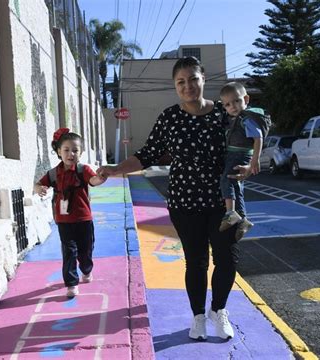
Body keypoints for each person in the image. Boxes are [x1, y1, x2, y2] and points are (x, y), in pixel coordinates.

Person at [98, 57, 252, 341]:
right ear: (175, 86)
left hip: (223, 200)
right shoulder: (169, 118)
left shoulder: (225, 113)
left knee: (227, 260)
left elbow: (250, 139)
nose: (188, 86)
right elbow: (147, 154)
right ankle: (198, 317)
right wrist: (116, 169)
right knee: (196, 262)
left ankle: (218, 311)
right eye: (181, 82)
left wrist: (250, 165)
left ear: (203, 78)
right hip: (184, 203)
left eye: (193, 79)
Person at [35, 128, 106, 298]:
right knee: (69, 252)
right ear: (59, 152)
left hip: (84, 219)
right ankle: (71, 283)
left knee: (86, 251)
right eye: (66, 150)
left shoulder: (83, 170)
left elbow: (94, 180)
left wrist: (101, 177)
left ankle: (86, 269)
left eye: (75, 150)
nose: (70, 154)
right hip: (64, 220)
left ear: (80, 153)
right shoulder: (53, 173)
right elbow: (38, 183)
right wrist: (39, 189)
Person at [219, 82, 267, 240]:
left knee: (226, 180)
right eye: (227, 104)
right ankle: (243, 219)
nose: (232, 106)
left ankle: (231, 213)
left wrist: (254, 161)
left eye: (237, 101)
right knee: (236, 185)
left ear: (246, 99)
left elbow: (258, 138)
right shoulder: (237, 118)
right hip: (236, 153)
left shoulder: (246, 119)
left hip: (239, 154)